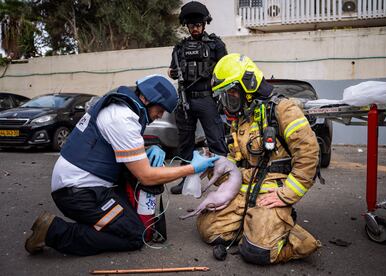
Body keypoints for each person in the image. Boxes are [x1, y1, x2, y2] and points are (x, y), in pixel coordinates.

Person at [24, 74, 219, 256]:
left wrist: (149, 148)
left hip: (85, 184)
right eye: (159, 111)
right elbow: (146, 176)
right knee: (135, 235)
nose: (160, 116)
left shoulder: (121, 107)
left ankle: (98, 223)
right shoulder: (122, 118)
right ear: (147, 100)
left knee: (127, 220)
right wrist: (193, 168)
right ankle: (53, 232)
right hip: (78, 191)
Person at [196, 54, 322, 264]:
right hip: (245, 189)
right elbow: (234, 162)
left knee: (257, 252)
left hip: (272, 191)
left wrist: (285, 195)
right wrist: (212, 165)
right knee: (209, 230)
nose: (227, 100)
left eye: (230, 92)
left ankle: (298, 239)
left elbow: (308, 155)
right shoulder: (241, 119)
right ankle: (257, 225)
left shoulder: (283, 110)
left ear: (248, 87)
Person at [168, 1, 228, 194]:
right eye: (191, 25)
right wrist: (174, 73)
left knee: (216, 139)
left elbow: (226, 68)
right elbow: (172, 71)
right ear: (187, 26)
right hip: (186, 99)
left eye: (198, 24)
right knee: (185, 142)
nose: (195, 28)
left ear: (204, 24)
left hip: (206, 98)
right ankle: (185, 181)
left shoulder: (215, 44)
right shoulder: (179, 48)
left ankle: (225, 178)